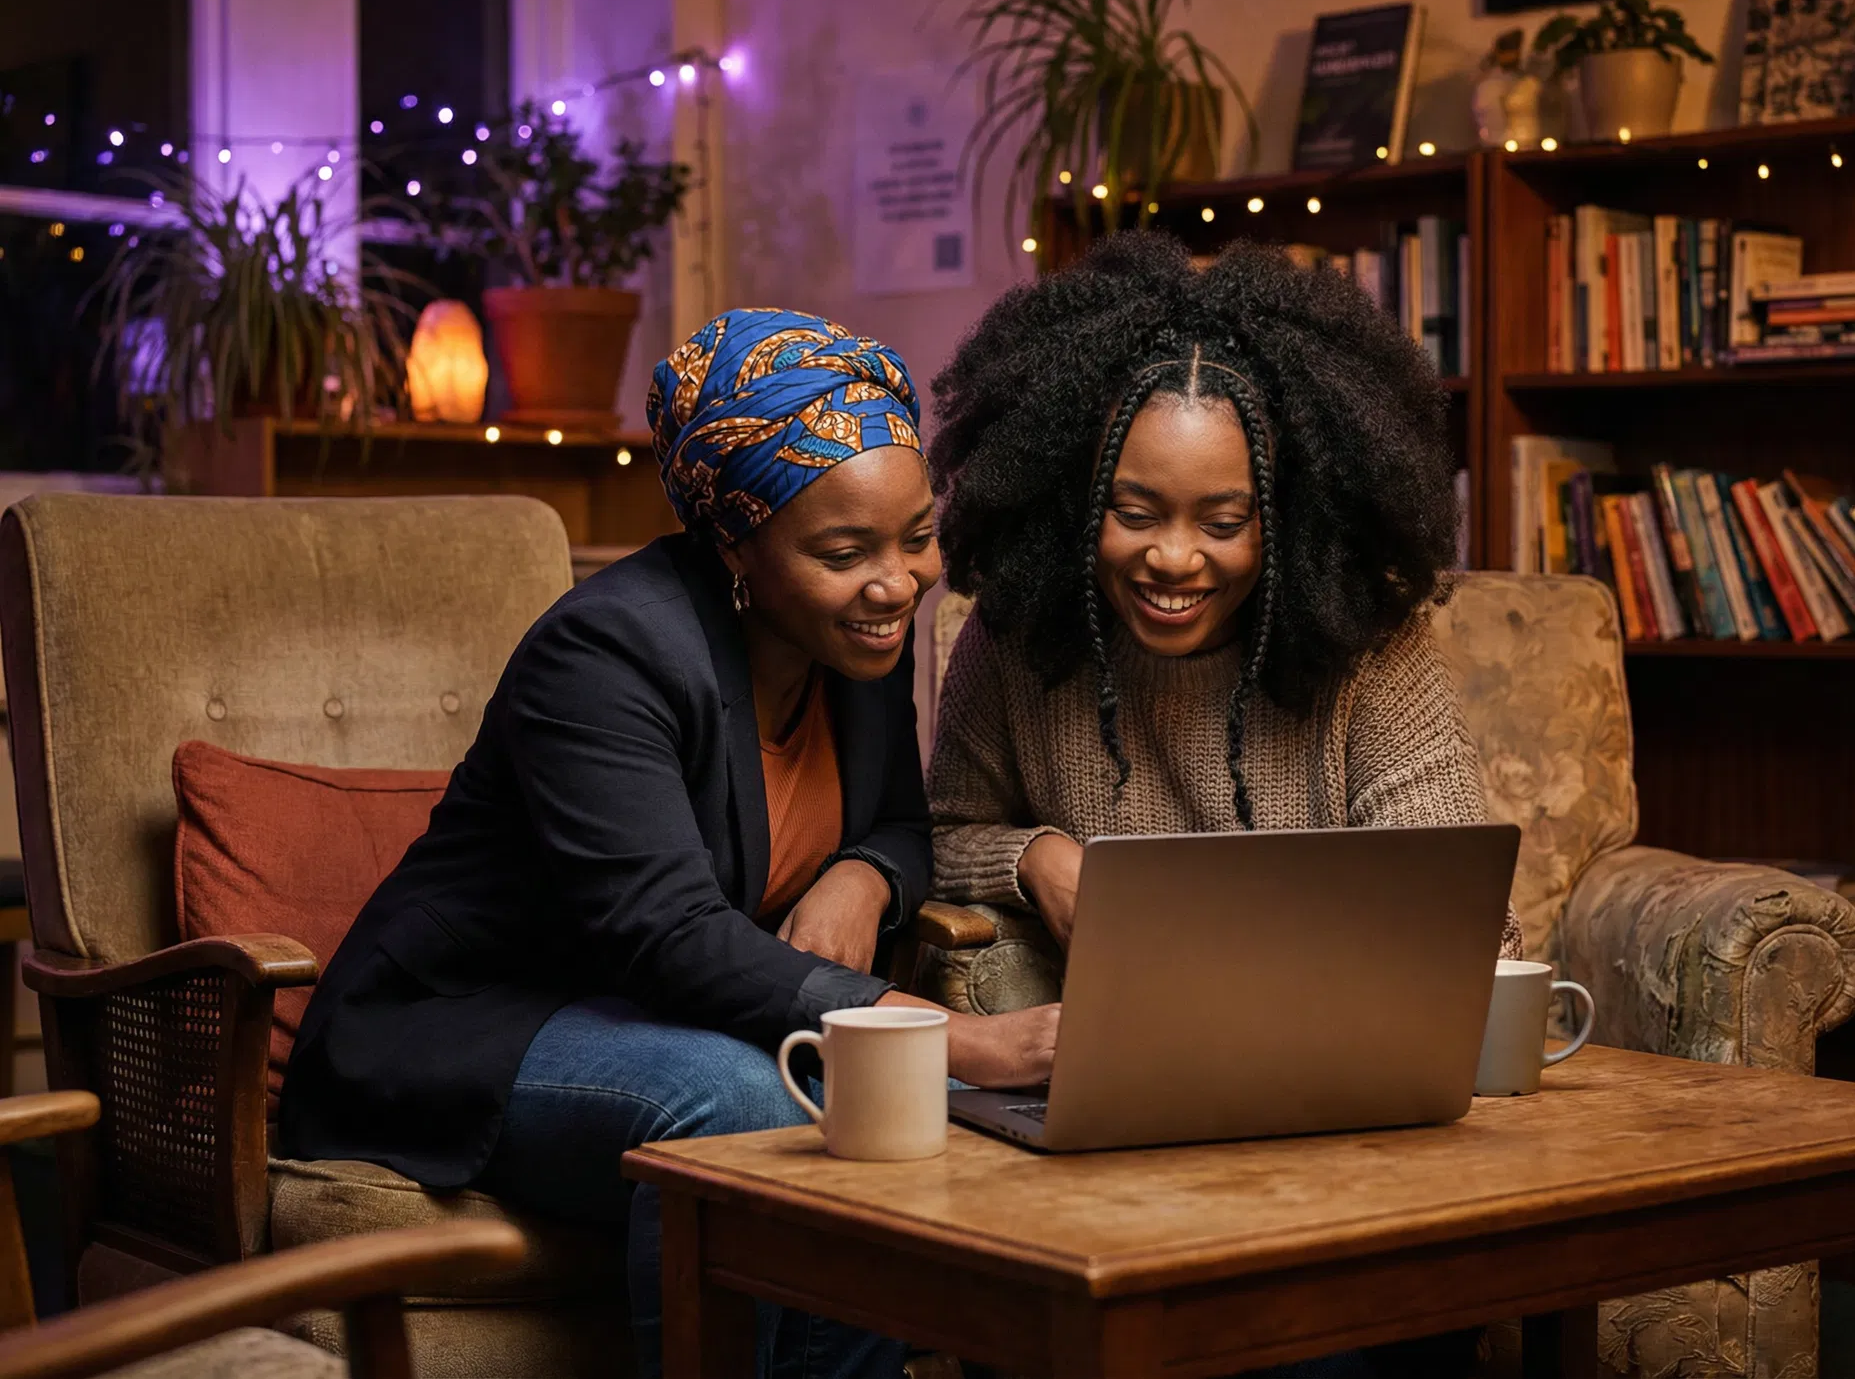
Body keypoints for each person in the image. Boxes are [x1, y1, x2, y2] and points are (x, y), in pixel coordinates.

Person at [280, 307, 1058, 1379]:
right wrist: (958, 1044)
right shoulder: (605, 651)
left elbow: (900, 822)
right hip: (474, 1022)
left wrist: (861, 877)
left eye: (918, 536)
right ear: (735, 542)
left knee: (853, 1103)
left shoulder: (852, 640)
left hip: (666, 1019)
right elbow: (666, 935)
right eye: (845, 552)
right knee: (740, 1103)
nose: (898, 584)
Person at [928, 232, 1523, 969]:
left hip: (1338, 1041)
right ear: (1071, 499)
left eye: (1223, 523)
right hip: (1122, 1056)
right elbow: (945, 832)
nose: (1173, 559)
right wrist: (1034, 858)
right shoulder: (1018, 634)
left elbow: (1466, 908)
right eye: (1134, 513)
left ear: (1290, 520)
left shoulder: (1370, 651)